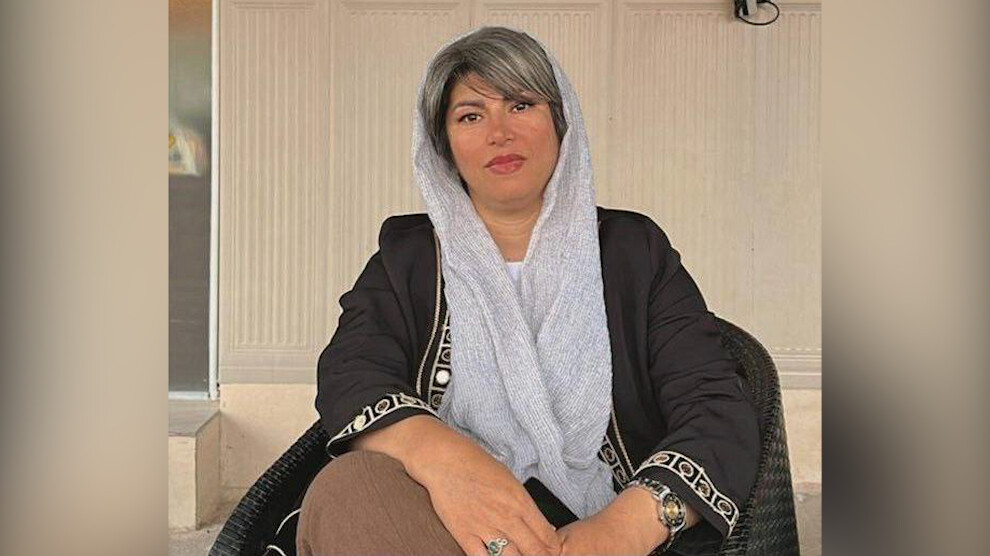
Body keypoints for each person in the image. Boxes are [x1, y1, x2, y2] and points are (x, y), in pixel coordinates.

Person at [296, 26, 760, 556]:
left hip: (600, 529)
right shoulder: (408, 257)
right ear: (444, 146)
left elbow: (714, 406)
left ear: (562, 123)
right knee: (350, 491)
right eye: (470, 116)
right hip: (448, 524)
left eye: (520, 105)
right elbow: (351, 372)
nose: (499, 133)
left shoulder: (635, 252)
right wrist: (447, 462)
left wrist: (627, 527)